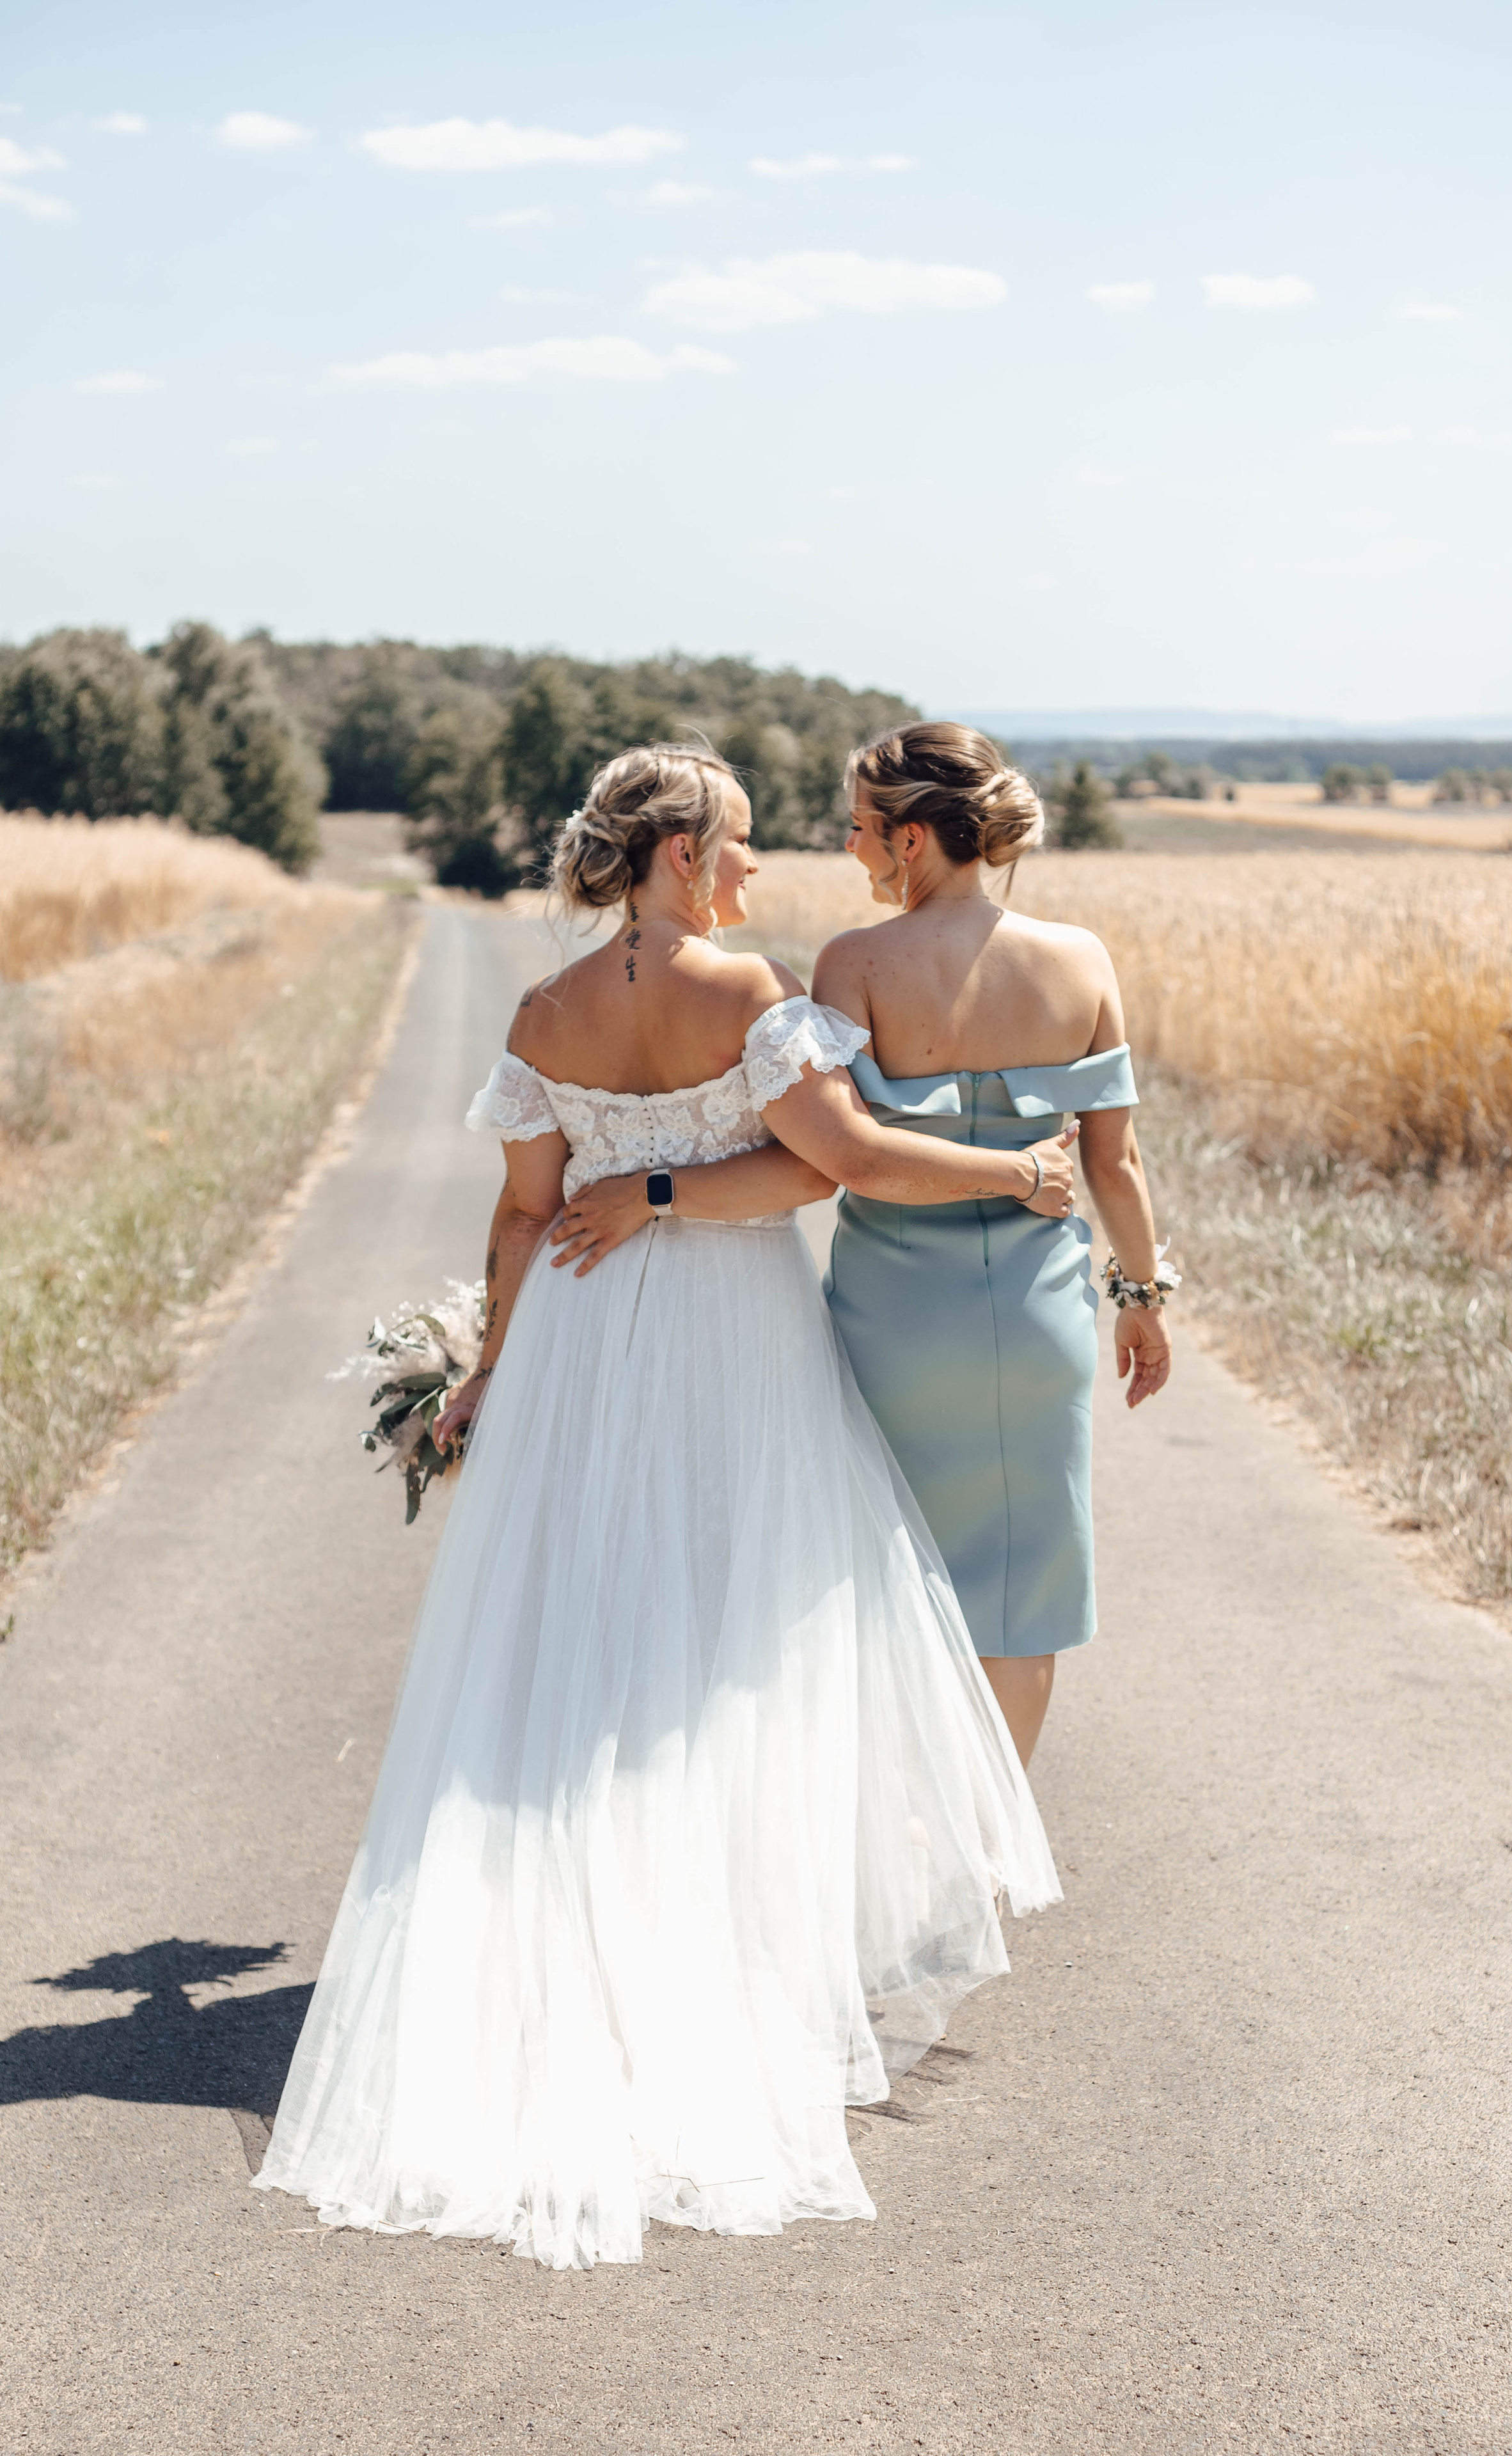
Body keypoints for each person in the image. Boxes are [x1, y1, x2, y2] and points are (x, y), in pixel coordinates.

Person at [253, 744, 1066, 2272]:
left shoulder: (543, 1011)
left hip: (576, 1345)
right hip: (725, 1348)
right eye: (740, 843)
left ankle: (576, 1961)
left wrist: (491, 1370)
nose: (756, 868)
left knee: (585, 1647)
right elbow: (836, 1168)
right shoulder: (751, 995)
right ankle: (704, 1968)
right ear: (682, 854)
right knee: (718, 1651)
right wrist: (1012, 1175)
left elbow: (521, 1213)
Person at [550, 724, 1173, 1771]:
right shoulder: (1082, 959)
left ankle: (900, 1816)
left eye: (859, 829)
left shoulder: (854, 963)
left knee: (871, 1568)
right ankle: (990, 1837)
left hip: (892, 1320)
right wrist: (1143, 1298)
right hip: (1039, 1313)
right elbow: (1117, 1164)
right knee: (1024, 1593)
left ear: (912, 839)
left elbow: (835, 1152)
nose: (849, 848)